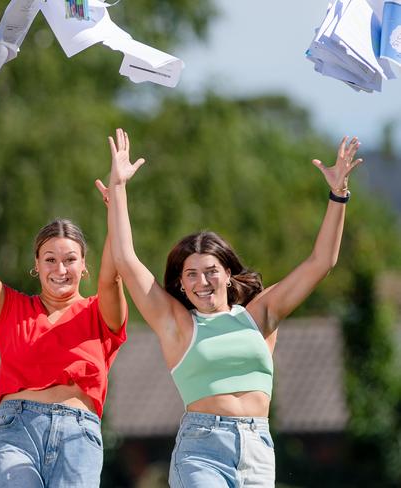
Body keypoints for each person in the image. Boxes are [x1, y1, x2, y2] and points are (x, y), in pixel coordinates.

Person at [101, 129, 362, 487]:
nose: (201, 281)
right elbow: (126, 260)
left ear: (227, 274)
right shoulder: (177, 325)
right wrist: (118, 188)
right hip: (201, 450)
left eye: (210, 271)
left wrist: (339, 194)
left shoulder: (259, 316)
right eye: (190, 275)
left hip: (258, 449)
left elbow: (320, 263)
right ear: (180, 284)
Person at [0, 151, 127, 487]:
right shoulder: (10, 308)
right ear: (37, 264)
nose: (60, 269)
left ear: (84, 266)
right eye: (50, 259)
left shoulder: (98, 313)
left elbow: (115, 274)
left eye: (70, 259)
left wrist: (117, 201)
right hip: (14, 433)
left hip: (78, 436)